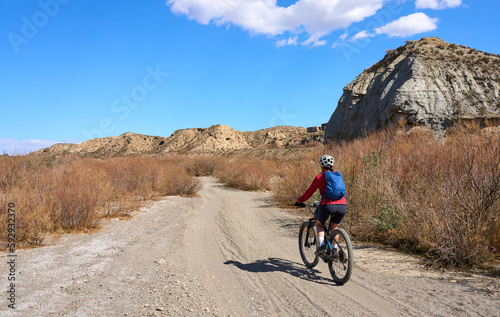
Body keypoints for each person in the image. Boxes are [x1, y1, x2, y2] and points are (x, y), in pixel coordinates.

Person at [294, 155, 347, 255]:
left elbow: (309, 192)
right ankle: (334, 249)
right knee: (334, 228)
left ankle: (322, 246)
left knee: (319, 224)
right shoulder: (338, 175)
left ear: (321, 165)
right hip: (342, 205)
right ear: (332, 165)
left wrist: (300, 201)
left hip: (327, 205)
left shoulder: (320, 177)